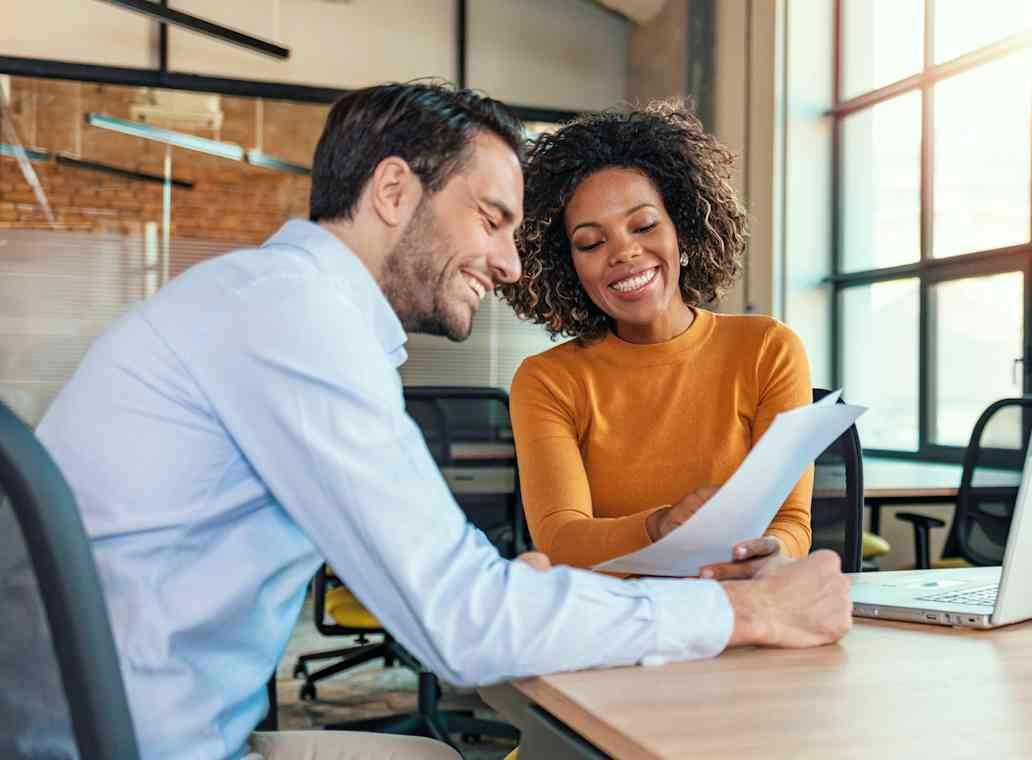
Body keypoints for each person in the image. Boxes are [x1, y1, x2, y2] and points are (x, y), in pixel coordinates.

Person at [34, 82, 851, 760]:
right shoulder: (293, 320)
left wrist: (516, 592)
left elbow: (453, 591)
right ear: (393, 192)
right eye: (493, 219)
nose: (510, 262)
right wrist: (749, 613)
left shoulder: (278, 306)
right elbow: (459, 624)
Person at [504, 101, 812, 580]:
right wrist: (659, 526)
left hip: (739, 607)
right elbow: (561, 539)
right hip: (613, 620)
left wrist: (772, 554)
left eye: (644, 226)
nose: (624, 252)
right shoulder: (547, 380)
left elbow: (791, 522)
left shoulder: (768, 349)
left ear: (683, 233)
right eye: (590, 242)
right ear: (569, 267)